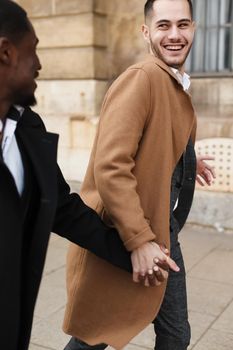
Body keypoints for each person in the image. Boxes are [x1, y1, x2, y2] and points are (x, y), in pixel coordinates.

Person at [0, 1, 180, 349]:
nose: (39, 65)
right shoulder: (141, 79)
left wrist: (133, 249)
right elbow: (111, 167)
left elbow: (65, 211)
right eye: (32, 52)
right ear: (5, 52)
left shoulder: (27, 130)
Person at [63, 1, 216, 350]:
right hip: (129, 228)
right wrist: (139, 240)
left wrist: (187, 161)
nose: (175, 35)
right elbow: (111, 166)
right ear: (146, 32)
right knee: (97, 332)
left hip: (162, 228)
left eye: (183, 25)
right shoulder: (143, 78)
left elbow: (156, 138)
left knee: (174, 333)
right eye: (163, 26)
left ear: (194, 28)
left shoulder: (170, 81)